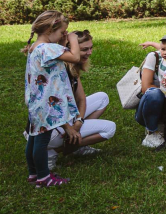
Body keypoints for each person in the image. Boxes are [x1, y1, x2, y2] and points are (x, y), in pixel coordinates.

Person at [23, 10, 81, 187]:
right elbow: (75, 57)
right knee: (41, 141)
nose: (64, 35)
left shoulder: (37, 47)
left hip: (37, 101)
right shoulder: (47, 48)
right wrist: (73, 40)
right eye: (63, 32)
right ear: (50, 30)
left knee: (34, 137)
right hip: (47, 103)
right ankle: (44, 177)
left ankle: (34, 173)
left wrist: (62, 41)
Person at [47, 30, 116, 173]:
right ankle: (54, 151)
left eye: (91, 48)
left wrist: (79, 121)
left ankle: (76, 142)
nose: (89, 52)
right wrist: (71, 128)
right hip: (51, 126)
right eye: (84, 49)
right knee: (110, 129)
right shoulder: (60, 68)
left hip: (66, 116)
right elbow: (53, 107)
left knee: (103, 97)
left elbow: (81, 99)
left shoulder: (73, 67)